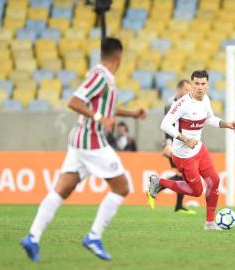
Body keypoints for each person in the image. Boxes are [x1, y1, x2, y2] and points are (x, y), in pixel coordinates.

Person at [20, 37, 146, 262]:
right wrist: (99, 118)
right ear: (120, 56)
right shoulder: (100, 76)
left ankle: (33, 237)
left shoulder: (102, 75)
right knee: (122, 186)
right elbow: (75, 101)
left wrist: (133, 113)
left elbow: (108, 108)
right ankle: (94, 236)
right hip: (91, 140)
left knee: (62, 190)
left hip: (80, 140)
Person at [148, 70, 235, 230]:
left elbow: (209, 118)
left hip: (199, 150)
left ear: (207, 85)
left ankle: (210, 223)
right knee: (197, 191)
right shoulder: (182, 104)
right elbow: (165, 124)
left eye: (203, 84)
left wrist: (227, 124)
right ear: (191, 85)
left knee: (214, 181)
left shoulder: (206, 100)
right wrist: (184, 139)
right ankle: (159, 182)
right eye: (196, 83)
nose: (200, 87)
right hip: (183, 156)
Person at [146, 79, 196, 214]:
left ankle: (177, 205)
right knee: (184, 175)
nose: (188, 92)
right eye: (186, 89)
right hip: (174, 144)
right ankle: (156, 187)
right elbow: (168, 125)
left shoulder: (183, 102)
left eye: (189, 90)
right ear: (179, 89)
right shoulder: (173, 103)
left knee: (184, 176)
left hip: (181, 143)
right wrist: (168, 144)